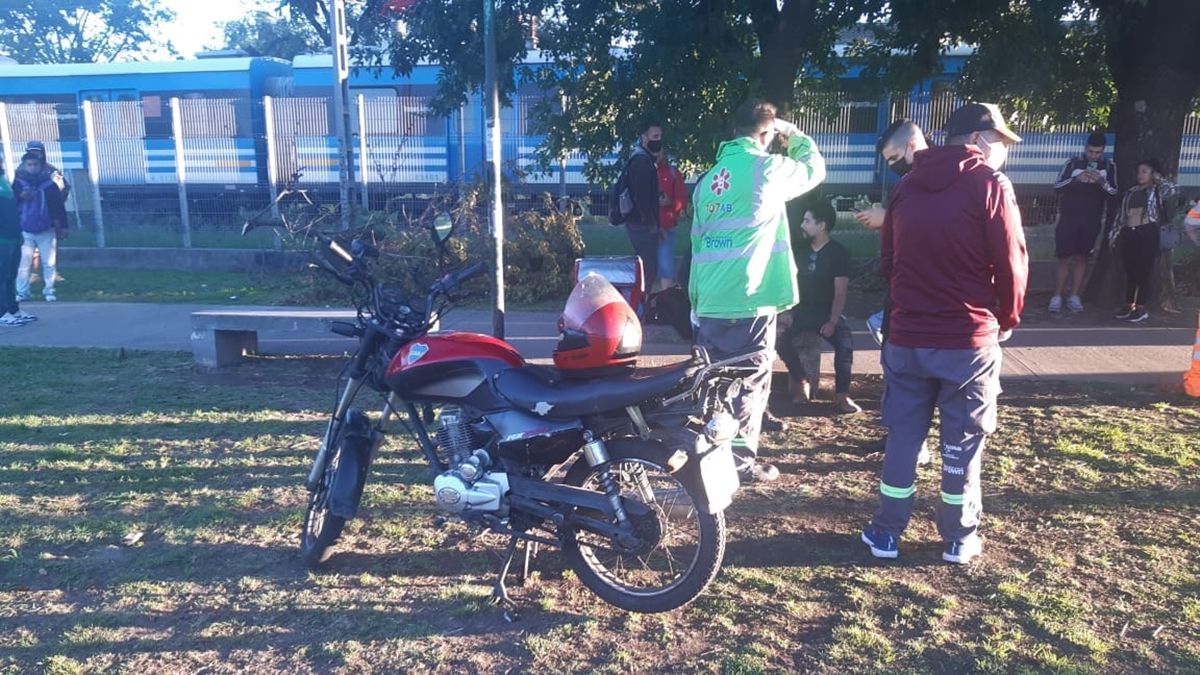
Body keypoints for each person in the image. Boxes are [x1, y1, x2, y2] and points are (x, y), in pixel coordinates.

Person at [861, 102, 1028, 565]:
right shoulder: (990, 184)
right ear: (977, 139)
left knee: (904, 437)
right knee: (962, 441)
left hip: (907, 337)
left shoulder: (905, 188)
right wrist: (1007, 318)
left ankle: (886, 532)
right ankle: (958, 536)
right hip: (967, 340)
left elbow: (889, 261)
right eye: (999, 141)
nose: (1003, 150)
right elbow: (1012, 261)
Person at [689, 98, 826, 483]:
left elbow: (697, 246)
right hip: (750, 299)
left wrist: (695, 302)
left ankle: (709, 456)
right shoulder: (767, 169)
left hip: (711, 301)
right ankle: (739, 463)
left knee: (714, 385)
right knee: (749, 385)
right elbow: (814, 169)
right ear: (766, 134)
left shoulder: (707, 182)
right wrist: (793, 134)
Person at [778, 200, 860, 414]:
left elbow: (840, 292)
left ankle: (842, 395)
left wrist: (832, 321)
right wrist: (785, 310)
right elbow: (785, 281)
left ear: (821, 225)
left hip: (825, 312)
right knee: (778, 338)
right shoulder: (797, 250)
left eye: (807, 221)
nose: (802, 225)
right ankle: (801, 380)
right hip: (798, 310)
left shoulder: (839, 253)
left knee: (845, 343)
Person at [1049, 131, 1117, 314]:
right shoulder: (1072, 163)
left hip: (1091, 219)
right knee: (1064, 257)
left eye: (1097, 152)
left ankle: (1075, 296)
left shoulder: (1108, 166)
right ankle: (1057, 296)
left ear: (1103, 151)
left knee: (1082, 257)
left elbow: (1113, 194)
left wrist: (1101, 181)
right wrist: (1076, 179)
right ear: (1085, 148)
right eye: (1091, 151)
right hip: (1068, 218)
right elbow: (1057, 187)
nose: (1093, 156)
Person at [1109, 158, 1176, 323]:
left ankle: (1141, 307)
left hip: (1147, 232)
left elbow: (1172, 190)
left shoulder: (1156, 190)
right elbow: (1121, 214)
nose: (1140, 175)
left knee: (1143, 271)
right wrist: (1114, 233)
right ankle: (1128, 304)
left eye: (1145, 172)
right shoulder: (1131, 191)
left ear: (1152, 173)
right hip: (1130, 231)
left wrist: (1157, 177)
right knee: (1130, 270)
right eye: (1139, 172)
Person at [14, 150, 68, 303]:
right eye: (29, 165)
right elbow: (12, 204)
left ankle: (49, 290)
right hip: (25, 230)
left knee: (49, 262)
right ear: (24, 166)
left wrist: (63, 226)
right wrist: (20, 197)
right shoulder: (18, 183)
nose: (32, 167)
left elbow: (58, 206)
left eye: (35, 164)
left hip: (46, 229)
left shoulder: (49, 185)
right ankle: (22, 292)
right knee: (24, 263)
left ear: (41, 166)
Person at [623, 120, 664, 293]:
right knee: (647, 269)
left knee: (647, 267)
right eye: (655, 136)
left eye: (660, 136)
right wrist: (651, 224)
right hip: (641, 224)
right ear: (644, 137)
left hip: (640, 223)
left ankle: (641, 301)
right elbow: (642, 197)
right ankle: (641, 303)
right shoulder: (642, 161)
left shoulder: (643, 159)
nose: (658, 140)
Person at [0, 172, 35, 326]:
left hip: (13, 236)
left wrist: (18, 232)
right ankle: (2, 313)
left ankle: (12, 309)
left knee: (10, 276)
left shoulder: (4, 181)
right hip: (2, 238)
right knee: (1, 277)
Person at [654, 147, 687, 290]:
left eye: (658, 150)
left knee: (666, 268)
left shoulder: (672, 173)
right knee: (643, 268)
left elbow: (682, 200)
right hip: (644, 229)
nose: (656, 154)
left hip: (666, 227)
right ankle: (644, 301)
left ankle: (665, 300)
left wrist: (670, 203)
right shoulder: (641, 171)